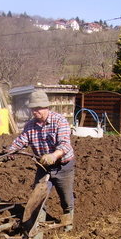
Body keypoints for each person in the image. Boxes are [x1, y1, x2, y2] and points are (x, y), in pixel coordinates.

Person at [8, 90, 75, 231]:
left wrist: (54, 155)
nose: (34, 111)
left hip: (63, 166)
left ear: (46, 107)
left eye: (37, 108)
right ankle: (37, 228)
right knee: (38, 198)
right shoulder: (30, 125)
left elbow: (64, 143)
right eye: (32, 108)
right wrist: (10, 151)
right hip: (43, 167)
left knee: (66, 198)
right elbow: (21, 141)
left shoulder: (59, 121)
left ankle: (68, 221)